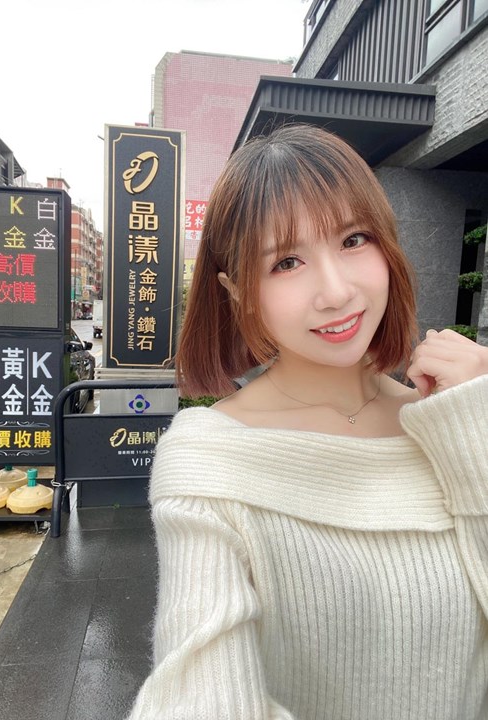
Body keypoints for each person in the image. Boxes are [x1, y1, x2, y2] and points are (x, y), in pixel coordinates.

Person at [127, 124, 488, 719]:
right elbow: (204, 697)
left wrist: (475, 422)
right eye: (287, 262)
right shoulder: (210, 461)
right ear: (237, 291)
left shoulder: (452, 424)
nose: (336, 291)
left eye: (353, 239)